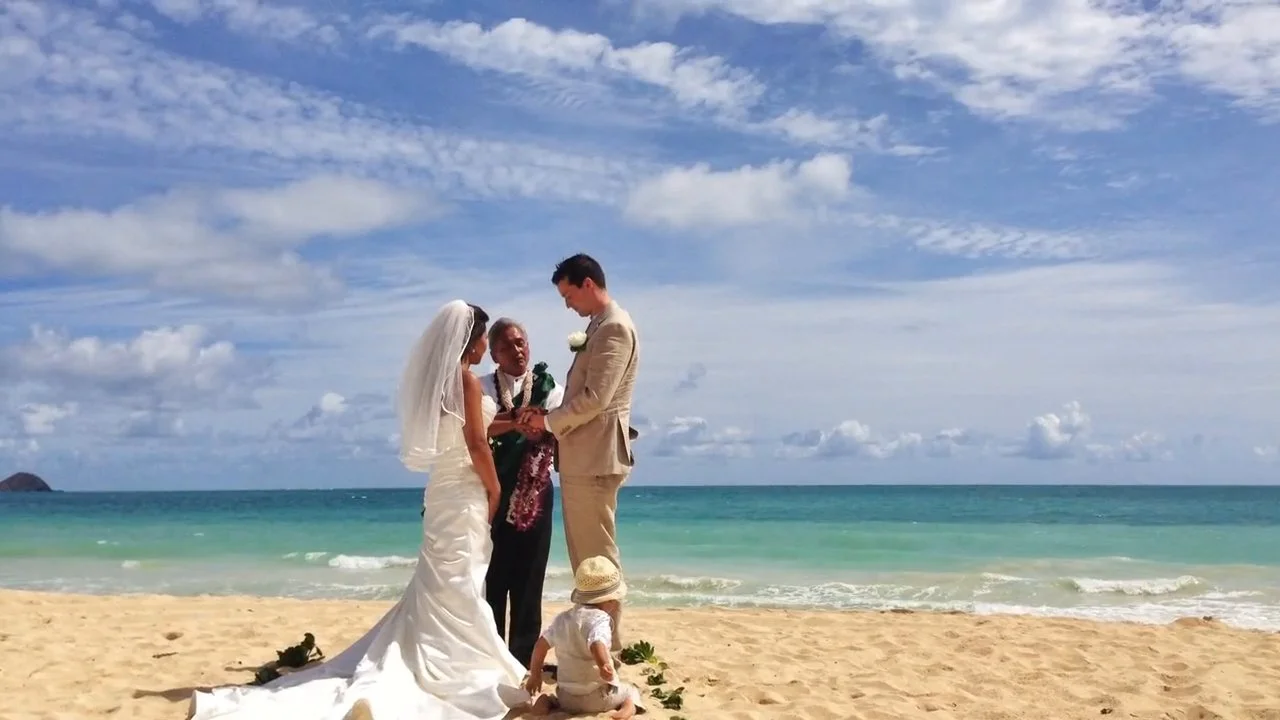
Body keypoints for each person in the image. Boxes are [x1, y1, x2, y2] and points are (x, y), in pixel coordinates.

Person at [189, 300, 529, 720]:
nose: (483, 346)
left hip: (442, 488)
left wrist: (509, 424)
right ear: (470, 340)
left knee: (442, 581)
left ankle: (448, 658)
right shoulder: (468, 383)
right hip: (463, 490)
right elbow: (476, 444)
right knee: (457, 582)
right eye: (481, 337)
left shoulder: (442, 384)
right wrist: (494, 488)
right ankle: (457, 670)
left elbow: (464, 429)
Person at [519, 253, 640, 658]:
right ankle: (600, 641)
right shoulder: (598, 327)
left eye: (569, 294)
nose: (567, 304)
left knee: (596, 555)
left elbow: (594, 400)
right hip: (584, 456)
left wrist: (549, 423)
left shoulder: (615, 328)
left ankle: (607, 646)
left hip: (595, 456)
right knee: (587, 553)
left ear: (588, 285)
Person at [479, 317, 563, 667]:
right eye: (507, 346)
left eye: (521, 342)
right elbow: (475, 430)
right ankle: (493, 654)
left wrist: (543, 429)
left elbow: (560, 425)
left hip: (536, 495)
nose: (518, 350)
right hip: (492, 493)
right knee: (493, 579)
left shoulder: (550, 386)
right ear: (494, 355)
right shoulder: (481, 388)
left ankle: (525, 658)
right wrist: (515, 421)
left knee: (530, 581)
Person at [523, 556, 644, 719]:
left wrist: (535, 674)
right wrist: (603, 665)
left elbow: (540, 646)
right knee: (631, 691)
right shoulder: (600, 619)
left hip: (567, 698)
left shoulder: (562, 619)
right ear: (610, 601)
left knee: (553, 698)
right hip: (598, 697)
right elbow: (596, 642)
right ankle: (627, 709)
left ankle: (543, 704)